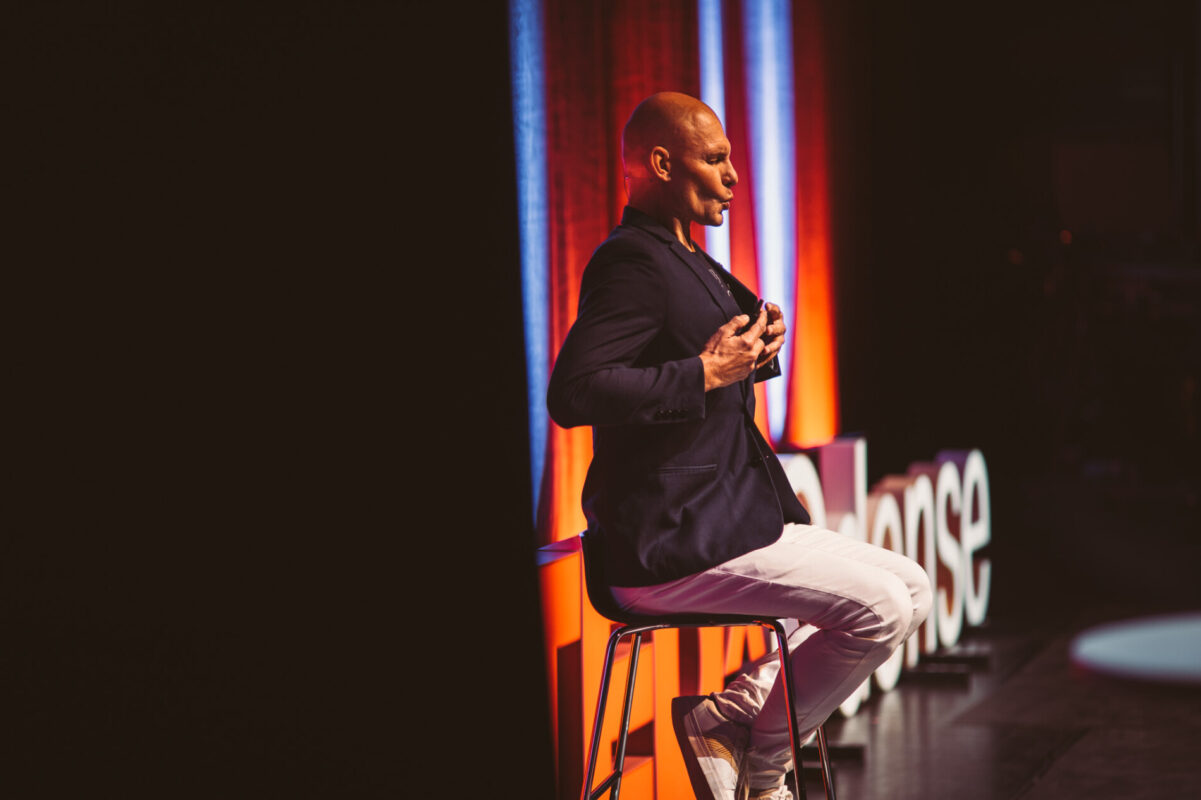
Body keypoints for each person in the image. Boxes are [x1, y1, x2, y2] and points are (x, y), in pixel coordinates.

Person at [547, 91, 932, 800]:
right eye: (715, 159)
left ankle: (730, 716)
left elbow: (697, 363)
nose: (732, 176)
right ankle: (761, 765)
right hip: (669, 538)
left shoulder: (684, 257)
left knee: (910, 588)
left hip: (725, 519)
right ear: (661, 164)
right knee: (877, 606)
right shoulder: (632, 261)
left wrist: (750, 354)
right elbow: (574, 392)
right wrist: (704, 371)